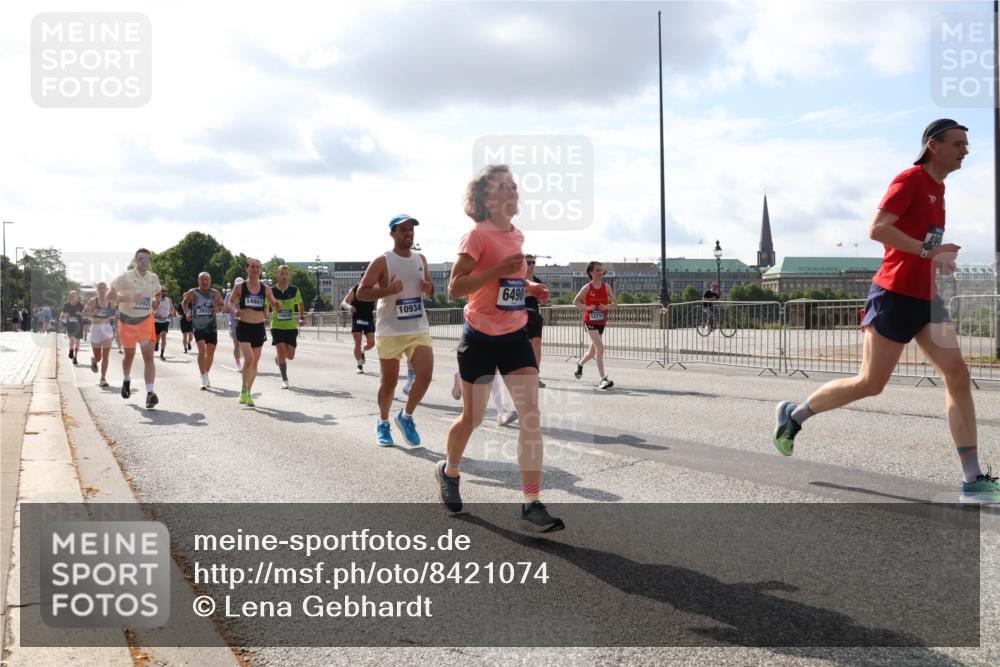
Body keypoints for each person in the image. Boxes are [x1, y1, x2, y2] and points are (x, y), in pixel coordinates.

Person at [773, 119, 998, 502]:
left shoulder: (939, 189)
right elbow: (878, 229)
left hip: (927, 300)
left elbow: (920, 243)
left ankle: (972, 478)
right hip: (893, 296)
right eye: (958, 143)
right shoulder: (909, 179)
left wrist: (936, 260)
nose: (965, 150)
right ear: (933, 145)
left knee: (958, 374)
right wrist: (929, 252)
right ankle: (794, 415)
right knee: (870, 384)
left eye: (967, 144)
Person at [437, 164, 561, 532]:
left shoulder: (517, 235)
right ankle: (450, 470)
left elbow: (509, 278)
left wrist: (529, 287)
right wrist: (498, 273)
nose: (512, 191)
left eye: (513, 186)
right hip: (479, 337)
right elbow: (456, 288)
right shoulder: (475, 237)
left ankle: (531, 502)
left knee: (531, 416)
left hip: (514, 335)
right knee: (472, 418)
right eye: (503, 187)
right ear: (486, 199)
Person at [356, 214, 434, 447]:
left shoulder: (421, 259)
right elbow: (361, 293)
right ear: (392, 233)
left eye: (411, 230)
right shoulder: (382, 261)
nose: (408, 234)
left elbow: (428, 291)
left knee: (426, 375)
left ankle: (406, 416)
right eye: (403, 230)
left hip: (417, 326)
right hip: (390, 330)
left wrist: (429, 289)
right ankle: (382, 422)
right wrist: (388, 290)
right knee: (388, 383)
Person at [110, 248, 162, 409]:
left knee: (149, 357)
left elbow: (158, 293)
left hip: (146, 320)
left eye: (147, 259)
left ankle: (149, 393)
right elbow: (111, 297)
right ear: (135, 260)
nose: (144, 261)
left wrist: (155, 301)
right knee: (129, 355)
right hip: (127, 322)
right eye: (141, 259)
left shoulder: (153, 278)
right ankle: (126, 379)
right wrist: (127, 297)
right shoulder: (125, 277)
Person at [227, 259, 280, 407]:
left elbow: (273, 302)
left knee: (255, 362)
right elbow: (230, 302)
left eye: (258, 267)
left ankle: (248, 392)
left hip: (258, 328)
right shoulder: (240, 287)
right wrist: (235, 309)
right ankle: (243, 389)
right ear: (247, 269)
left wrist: (277, 305)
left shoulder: (266, 288)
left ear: (260, 270)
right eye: (252, 267)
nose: (255, 269)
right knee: (249, 359)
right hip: (243, 326)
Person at [572, 261, 617, 390]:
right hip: (590, 321)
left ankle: (580, 364)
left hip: (601, 321)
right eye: (597, 270)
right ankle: (603, 379)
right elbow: (575, 301)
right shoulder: (587, 287)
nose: (600, 272)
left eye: (601, 270)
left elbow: (615, 303)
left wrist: (606, 306)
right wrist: (587, 307)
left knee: (592, 352)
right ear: (591, 272)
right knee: (600, 347)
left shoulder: (606, 287)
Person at [181, 272, 228, 390]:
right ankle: (202, 377)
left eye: (207, 279)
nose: (204, 281)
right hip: (198, 326)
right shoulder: (193, 292)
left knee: (210, 353)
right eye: (202, 279)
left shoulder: (215, 293)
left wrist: (219, 309)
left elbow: (223, 306)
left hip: (211, 326)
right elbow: (184, 303)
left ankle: (206, 373)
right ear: (198, 281)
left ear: (210, 281)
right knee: (202, 350)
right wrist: (187, 312)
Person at [268, 265, 305, 389]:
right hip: (277, 326)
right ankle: (284, 379)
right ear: (277, 275)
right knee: (281, 350)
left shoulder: (294, 290)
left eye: (286, 274)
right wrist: (264, 317)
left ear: (289, 276)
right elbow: (265, 305)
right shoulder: (271, 290)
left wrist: (301, 317)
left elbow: (300, 303)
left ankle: (279, 359)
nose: (284, 276)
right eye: (281, 274)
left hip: (291, 327)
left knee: (290, 356)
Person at [82, 282, 117, 387]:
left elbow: (114, 314)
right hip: (96, 329)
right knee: (99, 357)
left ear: (106, 290)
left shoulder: (111, 301)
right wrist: (92, 314)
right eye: (100, 288)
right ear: (97, 290)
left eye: (104, 288)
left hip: (106, 329)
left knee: (106, 355)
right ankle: (94, 360)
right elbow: (84, 313)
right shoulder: (93, 301)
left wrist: (112, 316)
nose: (102, 290)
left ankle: (103, 379)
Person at [524, 254, 549, 388]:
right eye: (528, 262)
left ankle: (535, 376)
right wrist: (532, 292)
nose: (532, 265)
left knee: (537, 345)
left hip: (534, 316)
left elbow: (542, 301)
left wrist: (543, 298)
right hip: (519, 316)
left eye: (533, 262)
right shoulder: (518, 280)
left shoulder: (537, 280)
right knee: (517, 347)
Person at [342, 283, 376, 374]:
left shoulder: (373, 288)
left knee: (372, 343)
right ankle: (359, 365)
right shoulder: (355, 289)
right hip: (357, 318)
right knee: (358, 341)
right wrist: (349, 307)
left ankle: (362, 351)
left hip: (368, 319)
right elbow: (344, 302)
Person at [61, 291, 85, 364]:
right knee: (72, 340)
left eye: (74, 296)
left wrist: (80, 313)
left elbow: (84, 315)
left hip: (79, 325)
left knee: (77, 342)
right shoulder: (66, 305)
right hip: (70, 324)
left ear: (77, 296)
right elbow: (64, 314)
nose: (73, 297)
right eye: (72, 296)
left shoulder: (81, 305)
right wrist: (65, 315)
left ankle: (75, 357)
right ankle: (71, 350)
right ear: (70, 297)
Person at [225, 278, 244, 371]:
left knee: (245, 344)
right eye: (238, 285)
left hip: (246, 322)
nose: (239, 287)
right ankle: (238, 363)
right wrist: (233, 303)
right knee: (237, 344)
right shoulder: (229, 294)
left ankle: (244, 358)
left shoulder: (247, 294)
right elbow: (225, 309)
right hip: (234, 323)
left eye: (241, 285)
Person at [153, 288, 176, 360]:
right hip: (157, 321)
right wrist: (155, 315)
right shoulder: (155, 300)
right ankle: (156, 343)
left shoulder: (168, 300)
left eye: (164, 291)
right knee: (157, 336)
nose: (163, 292)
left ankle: (162, 354)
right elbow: (151, 310)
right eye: (161, 291)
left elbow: (172, 308)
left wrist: (172, 312)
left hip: (165, 320)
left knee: (163, 335)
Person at [179, 287, 195, 353]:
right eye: (184, 296)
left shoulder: (192, 304)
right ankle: (185, 348)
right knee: (184, 336)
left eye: (187, 296)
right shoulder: (181, 304)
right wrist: (180, 315)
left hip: (190, 321)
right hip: (183, 321)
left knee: (191, 336)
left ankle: (189, 342)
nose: (186, 297)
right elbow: (178, 312)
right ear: (183, 297)